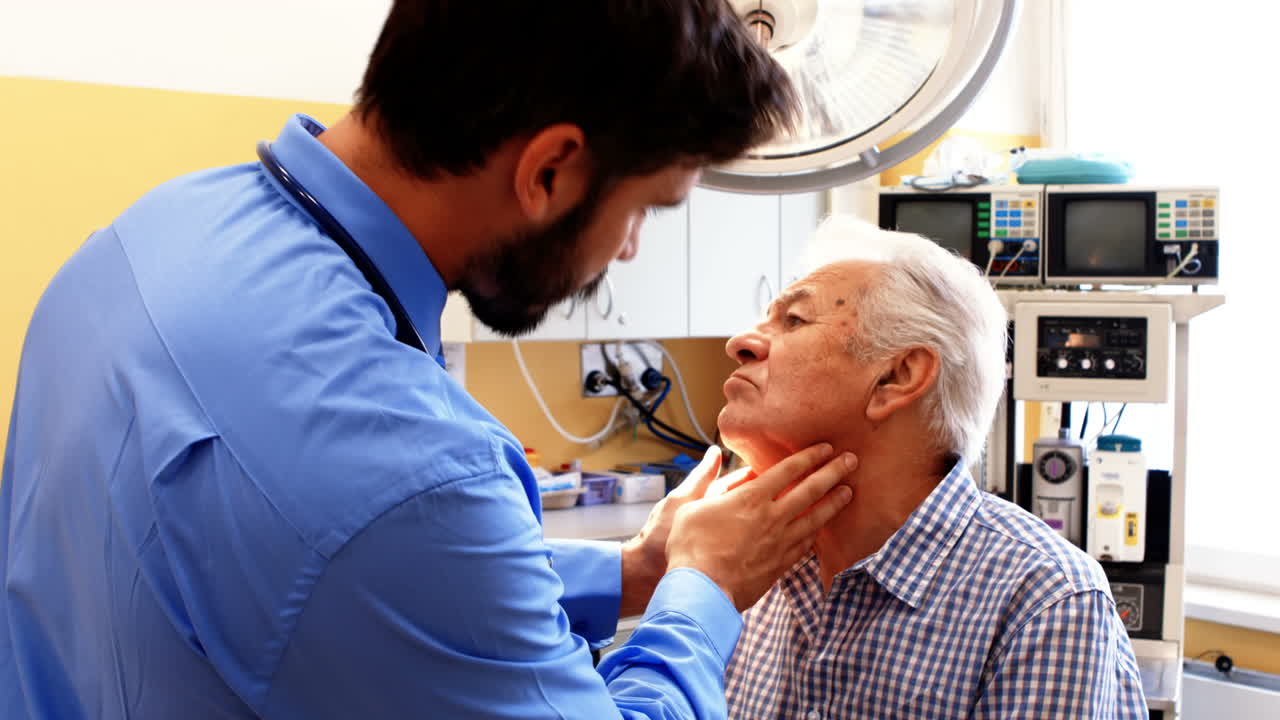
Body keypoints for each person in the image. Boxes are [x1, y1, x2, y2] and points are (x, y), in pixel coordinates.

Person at [0, 3, 858, 718]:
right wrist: (703, 588)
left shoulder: (151, 231)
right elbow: (378, 538)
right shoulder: (413, 479)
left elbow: (320, 580)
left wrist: (630, 573)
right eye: (646, 208)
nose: (629, 250)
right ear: (551, 169)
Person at [717, 216, 1148, 719]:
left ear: (898, 376)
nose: (740, 342)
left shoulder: (1046, 603)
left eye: (793, 320)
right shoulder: (743, 564)